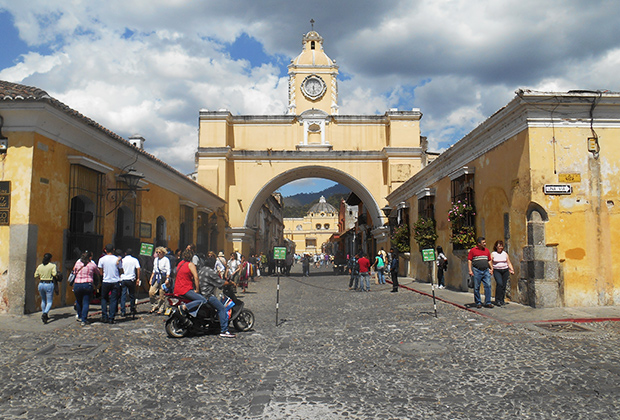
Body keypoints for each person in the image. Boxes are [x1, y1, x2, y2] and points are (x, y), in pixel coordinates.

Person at [98, 244, 123, 323]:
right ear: (114, 250)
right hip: (115, 281)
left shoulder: (102, 259)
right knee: (113, 299)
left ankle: (104, 316)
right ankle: (111, 317)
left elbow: (100, 272)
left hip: (106, 281)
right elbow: (121, 271)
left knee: (104, 298)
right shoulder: (117, 259)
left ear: (105, 250)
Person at [71, 250, 98, 325]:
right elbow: (98, 272)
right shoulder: (92, 264)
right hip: (87, 284)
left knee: (78, 301)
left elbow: (74, 271)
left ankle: (79, 316)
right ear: (89, 257)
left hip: (77, 284)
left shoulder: (78, 263)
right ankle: (84, 319)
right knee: (86, 302)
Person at [468, 237, 494, 309]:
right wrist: (470, 270)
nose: (485, 244)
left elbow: (489, 260)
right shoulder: (473, 251)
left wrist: (491, 268)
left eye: (485, 242)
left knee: (488, 286)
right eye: (483, 243)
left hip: (486, 270)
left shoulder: (487, 251)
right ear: (479, 243)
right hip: (477, 270)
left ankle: (488, 302)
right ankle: (478, 302)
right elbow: (469, 260)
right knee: (476, 287)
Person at [35, 253, 57, 324]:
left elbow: (35, 275)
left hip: (41, 284)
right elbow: (54, 274)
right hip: (49, 284)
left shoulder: (40, 266)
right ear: (50, 259)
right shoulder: (52, 266)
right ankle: (45, 313)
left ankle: (44, 314)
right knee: (49, 301)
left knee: (43, 300)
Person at [491, 240, 514, 306]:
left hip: (505, 270)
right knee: (499, 284)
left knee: (504, 285)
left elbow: (508, 262)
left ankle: (502, 299)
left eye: (501, 246)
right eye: (499, 246)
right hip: (497, 270)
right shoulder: (493, 254)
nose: (500, 247)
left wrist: (512, 269)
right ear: (496, 246)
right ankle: (497, 299)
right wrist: (491, 269)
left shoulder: (505, 254)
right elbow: (490, 261)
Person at [148, 246, 171, 314]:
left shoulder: (166, 259)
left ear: (163, 253)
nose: (158, 253)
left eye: (159, 252)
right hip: (156, 277)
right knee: (151, 292)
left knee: (162, 294)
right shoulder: (156, 260)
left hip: (163, 277)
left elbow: (168, 270)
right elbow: (154, 270)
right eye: (157, 252)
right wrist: (151, 278)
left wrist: (167, 279)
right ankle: (155, 304)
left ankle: (161, 308)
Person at [120, 248, 141, 317]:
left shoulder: (122, 260)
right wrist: (138, 278)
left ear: (125, 253)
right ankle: (132, 309)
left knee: (123, 295)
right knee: (132, 295)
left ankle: (123, 311)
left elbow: (120, 269)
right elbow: (138, 268)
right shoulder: (135, 260)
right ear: (132, 254)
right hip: (131, 279)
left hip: (123, 279)